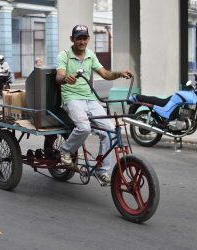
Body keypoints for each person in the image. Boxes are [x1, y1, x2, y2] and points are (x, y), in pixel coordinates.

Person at [55, 24, 132, 184]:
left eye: (84, 38)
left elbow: (105, 74)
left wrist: (118, 73)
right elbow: (59, 77)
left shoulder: (90, 55)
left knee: (110, 132)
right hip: (72, 99)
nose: (82, 41)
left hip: (90, 99)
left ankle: (101, 170)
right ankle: (65, 151)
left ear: (88, 39)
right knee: (84, 128)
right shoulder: (64, 55)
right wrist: (65, 78)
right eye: (78, 38)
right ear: (72, 39)